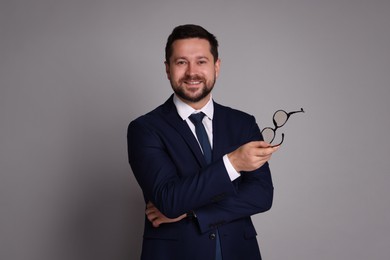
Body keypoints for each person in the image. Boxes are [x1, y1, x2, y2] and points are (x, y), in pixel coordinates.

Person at [127, 24, 279, 260]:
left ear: (216, 67)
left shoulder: (243, 123)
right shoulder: (145, 129)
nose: (191, 72)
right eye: (181, 62)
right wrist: (233, 163)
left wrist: (193, 214)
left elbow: (261, 195)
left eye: (201, 61)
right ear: (167, 69)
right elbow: (169, 200)